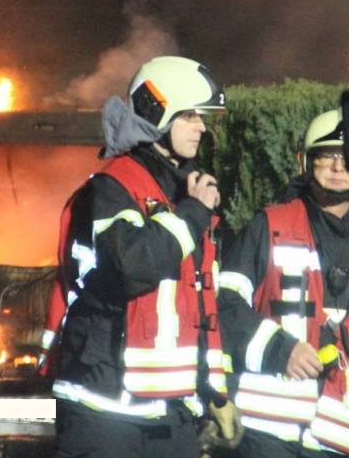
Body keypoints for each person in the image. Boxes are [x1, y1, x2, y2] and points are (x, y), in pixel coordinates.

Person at [46, 55, 241, 458]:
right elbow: (134, 265)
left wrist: (215, 393)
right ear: (157, 112)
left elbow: (199, 304)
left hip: (169, 412)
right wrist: (192, 214)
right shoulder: (113, 187)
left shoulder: (180, 193)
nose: (201, 127)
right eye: (190, 116)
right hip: (104, 409)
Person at [218, 108, 349, 458]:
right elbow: (224, 305)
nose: (338, 167)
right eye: (326, 156)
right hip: (265, 432)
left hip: (342, 440)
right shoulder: (268, 227)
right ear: (305, 162)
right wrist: (278, 350)